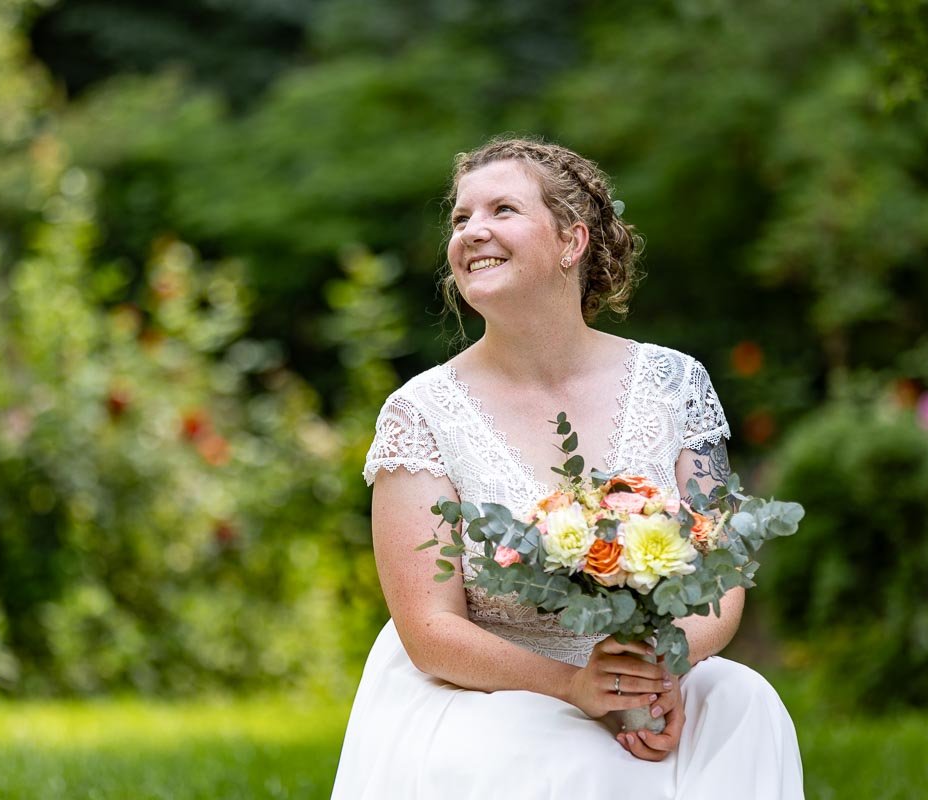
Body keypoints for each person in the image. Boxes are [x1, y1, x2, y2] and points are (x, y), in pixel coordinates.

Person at [331, 137, 804, 799]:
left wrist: (653, 675)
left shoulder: (676, 384)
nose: (473, 232)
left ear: (571, 242)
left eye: (501, 210)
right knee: (567, 759)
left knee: (745, 703)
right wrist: (576, 688)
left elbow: (720, 578)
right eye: (461, 219)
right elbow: (429, 630)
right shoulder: (421, 413)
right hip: (490, 690)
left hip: (652, 674)